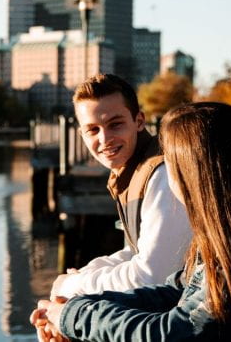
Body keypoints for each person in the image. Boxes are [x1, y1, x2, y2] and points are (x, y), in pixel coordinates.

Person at [31, 102, 231, 341]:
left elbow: (171, 333)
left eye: (170, 165)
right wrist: (72, 308)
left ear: (197, 174)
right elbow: (172, 291)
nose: (166, 175)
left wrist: (75, 316)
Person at [47, 74, 191, 300]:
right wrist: (83, 275)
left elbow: (150, 275)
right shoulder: (134, 171)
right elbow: (137, 252)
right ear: (82, 134)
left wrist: (73, 285)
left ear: (139, 121)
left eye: (115, 124)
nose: (105, 139)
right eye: (92, 130)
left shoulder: (162, 174)